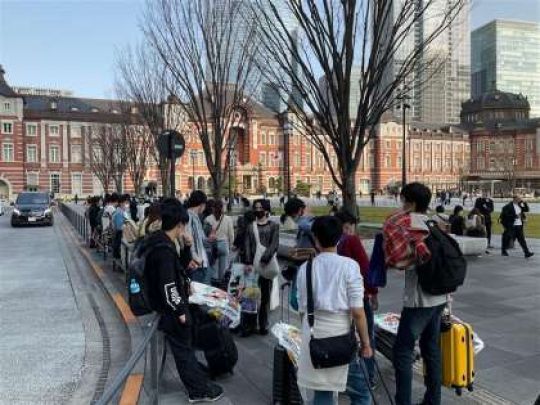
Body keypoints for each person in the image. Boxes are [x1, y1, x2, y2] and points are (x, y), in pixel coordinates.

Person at [143, 198, 224, 403]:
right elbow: (168, 285)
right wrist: (180, 311)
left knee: (184, 347)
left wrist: (187, 248)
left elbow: (177, 269)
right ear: (179, 224)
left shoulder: (162, 242)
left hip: (169, 306)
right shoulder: (164, 249)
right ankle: (197, 390)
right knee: (183, 349)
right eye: (184, 226)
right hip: (171, 309)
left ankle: (198, 382)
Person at [296, 216, 373, 405]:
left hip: (314, 337)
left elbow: (302, 309)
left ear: (315, 238)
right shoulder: (349, 266)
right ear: (339, 237)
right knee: (361, 392)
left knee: (323, 393)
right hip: (342, 337)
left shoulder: (305, 268)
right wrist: (366, 344)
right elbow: (358, 312)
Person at [383, 182, 447, 405]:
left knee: (402, 351)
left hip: (420, 299)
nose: (401, 204)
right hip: (441, 296)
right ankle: (433, 400)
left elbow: (400, 262)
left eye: (403, 200)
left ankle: (403, 401)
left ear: (410, 202)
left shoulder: (407, 224)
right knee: (431, 349)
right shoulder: (435, 222)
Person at [334, 209, 378, 402]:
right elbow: (365, 267)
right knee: (365, 335)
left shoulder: (333, 243)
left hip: (339, 299)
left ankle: (346, 377)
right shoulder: (351, 240)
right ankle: (368, 376)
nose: (353, 230)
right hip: (357, 295)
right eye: (351, 226)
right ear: (347, 226)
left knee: (345, 337)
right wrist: (373, 292)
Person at [185, 190, 212, 284]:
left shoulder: (195, 217)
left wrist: (208, 239)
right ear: (202, 204)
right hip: (197, 264)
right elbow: (188, 239)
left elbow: (199, 239)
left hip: (201, 262)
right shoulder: (189, 217)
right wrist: (195, 257)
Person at [205, 200, 235, 281]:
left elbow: (205, 233)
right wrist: (231, 245)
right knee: (223, 268)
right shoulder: (228, 219)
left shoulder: (208, 219)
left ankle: (212, 282)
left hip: (212, 245)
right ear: (222, 208)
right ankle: (222, 283)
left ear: (213, 208)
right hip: (224, 245)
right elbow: (231, 234)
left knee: (211, 266)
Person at [112, 195, 130, 259]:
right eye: (126, 203)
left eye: (128, 202)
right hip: (120, 237)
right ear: (121, 203)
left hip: (122, 235)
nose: (127, 204)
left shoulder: (124, 212)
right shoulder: (119, 213)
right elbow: (119, 227)